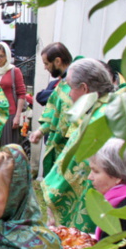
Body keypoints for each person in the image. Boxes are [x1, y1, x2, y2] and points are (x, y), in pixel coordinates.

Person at [41, 58, 115, 232]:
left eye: (70, 88)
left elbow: (72, 169)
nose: (68, 95)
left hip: (93, 203)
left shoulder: (97, 122)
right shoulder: (109, 107)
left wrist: (52, 198)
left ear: (84, 88)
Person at [29, 43, 74, 176]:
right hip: (60, 144)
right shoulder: (63, 83)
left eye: (47, 63)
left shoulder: (76, 81)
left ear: (58, 61)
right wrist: (40, 131)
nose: (45, 67)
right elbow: (54, 111)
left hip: (71, 145)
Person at [35, 42, 72, 106]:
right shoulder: (58, 82)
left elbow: (41, 97)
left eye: (46, 64)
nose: (45, 68)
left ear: (58, 61)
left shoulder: (74, 79)